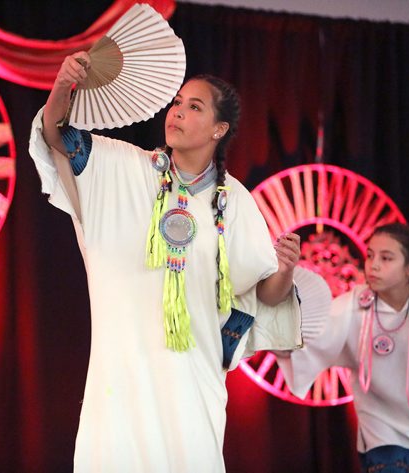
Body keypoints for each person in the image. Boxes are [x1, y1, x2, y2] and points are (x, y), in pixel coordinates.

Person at [28, 51, 304, 472]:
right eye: (176, 103)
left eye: (194, 107)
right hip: (120, 378)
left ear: (219, 128)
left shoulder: (234, 202)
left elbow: (264, 290)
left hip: (193, 378)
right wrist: (62, 85)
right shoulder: (124, 167)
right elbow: (56, 133)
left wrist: (285, 269)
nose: (177, 112)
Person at [278, 222, 409, 473]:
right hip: (381, 433)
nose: (374, 265)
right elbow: (315, 335)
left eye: (386, 258)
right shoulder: (355, 304)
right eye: (370, 256)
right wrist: (280, 340)